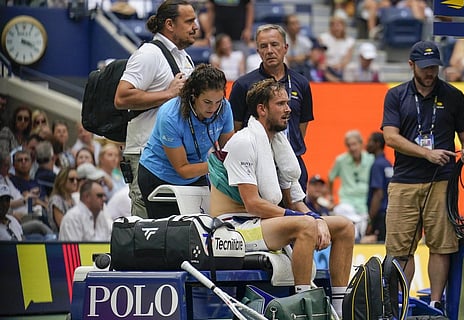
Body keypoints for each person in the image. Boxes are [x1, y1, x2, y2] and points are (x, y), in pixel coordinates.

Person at [208, 79, 354, 317]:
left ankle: (339, 308)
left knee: (344, 226)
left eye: (288, 103)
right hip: (234, 227)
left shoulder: (277, 142)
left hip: (262, 222)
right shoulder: (244, 141)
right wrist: (306, 220)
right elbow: (253, 204)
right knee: (305, 225)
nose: (289, 109)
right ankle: (304, 306)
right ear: (262, 109)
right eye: (281, 104)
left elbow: (295, 202)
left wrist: (316, 218)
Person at [382, 40, 464, 313]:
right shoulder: (396, 95)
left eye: (434, 67)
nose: (430, 72)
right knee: (401, 249)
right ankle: (400, 304)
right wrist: (427, 154)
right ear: (411, 65)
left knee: (441, 245)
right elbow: (390, 137)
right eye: (425, 68)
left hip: (442, 181)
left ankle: (436, 304)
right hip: (404, 180)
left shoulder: (454, 95)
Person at [114, 0, 197, 218]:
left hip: (174, 156)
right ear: (170, 24)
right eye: (189, 21)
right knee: (145, 229)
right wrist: (168, 94)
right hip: (145, 155)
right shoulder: (149, 54)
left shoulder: (184, 57)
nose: (195, 27)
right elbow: (121, 97)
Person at [138, 64, 234, 218]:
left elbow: (230, 150)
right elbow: (183, 169)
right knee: (171, 234)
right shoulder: (170, 116)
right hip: (160, 176)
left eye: (218, 101)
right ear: (193, 95)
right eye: (207, 102)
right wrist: (217, 165)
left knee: (202, 228)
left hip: (198, 172)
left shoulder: (224, 107)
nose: (213, 108)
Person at [229, 24, 314, 192]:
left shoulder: (302, 83)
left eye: (274, 44)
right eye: (263, 46)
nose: (269, 50)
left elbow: (301, 127)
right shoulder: (243, 85)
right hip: (257, 166)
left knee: (299, 215)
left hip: (292, 162)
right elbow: (235, 128)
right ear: (258, 50)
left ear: (285, 47)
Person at [364, 132, 392, 243]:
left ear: (377, 144)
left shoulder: (377, 165)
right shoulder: (387, 164)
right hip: (389, 213)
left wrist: (370, 221)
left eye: (370, 141)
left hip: (380, 216)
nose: (367, 144)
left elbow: (378, 194)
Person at [317, 14, 355, 80]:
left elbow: (347, 59)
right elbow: (320, 55)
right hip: (327, 66)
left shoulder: (350, 41)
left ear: (344, 27)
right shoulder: (323, 38)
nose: (337, 28)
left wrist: (340, 65)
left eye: (339, 25)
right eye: (334, 25)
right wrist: (327, 64)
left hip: (342, 68)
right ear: (330, 27)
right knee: (321, 67)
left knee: (351, 67)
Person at [47, 167, 77, 234]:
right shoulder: (56, 200)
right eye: (71, 180)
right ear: (62, 181)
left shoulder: (73, 199)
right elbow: (63, 226)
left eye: (77, 179)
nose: (75, 182)